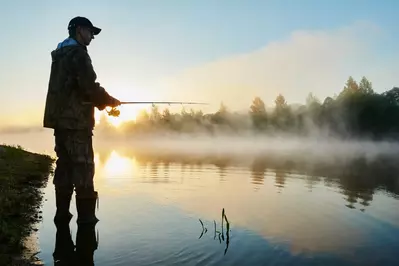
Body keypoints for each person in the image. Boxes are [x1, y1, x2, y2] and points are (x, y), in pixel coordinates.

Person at [43, 16, 120, 225]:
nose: (92, 37)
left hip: (60, 122)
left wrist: (102, 102)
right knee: (84, 168)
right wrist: (110, 101)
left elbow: (75, 88)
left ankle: (62, 215)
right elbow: (89, 87)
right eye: (90, 32)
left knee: (65, 166)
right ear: (79, 30)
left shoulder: (60, 55)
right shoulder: (78, 54)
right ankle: (86, 222)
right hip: (76, 123)